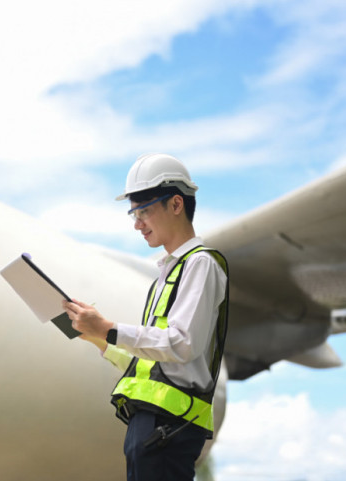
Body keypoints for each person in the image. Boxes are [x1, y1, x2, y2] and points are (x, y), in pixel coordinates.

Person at [62, 153, 229, 481]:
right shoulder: (166, 276)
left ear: (176, 204)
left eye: (145, 211)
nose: (137, 223)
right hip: (152, 427)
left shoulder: (200, 264)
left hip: (169, 426)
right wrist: (98, 337)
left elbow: (181, 345)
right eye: (133, 213)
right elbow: (154, 365)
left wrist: (109, 328)